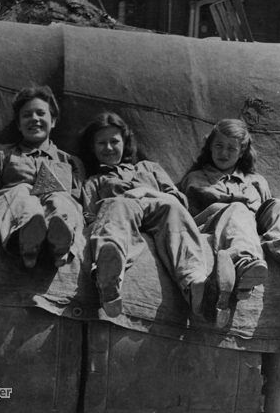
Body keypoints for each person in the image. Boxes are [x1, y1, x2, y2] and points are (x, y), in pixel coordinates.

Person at [80, 112, 234, 327]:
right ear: (92, 148)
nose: (108, 148)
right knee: (114, 205)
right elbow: (90, 217)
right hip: (121, 212)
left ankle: (197, 286)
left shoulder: (148, 168)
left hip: (158, 208)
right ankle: (109, 279)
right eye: (101, 143)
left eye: (114, 141)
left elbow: (177, 198)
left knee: (172, 207)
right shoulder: (94, 182)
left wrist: (143, 192)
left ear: (125, 143)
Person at [181, 118, 280, 301]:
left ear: (242, 152)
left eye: (232, 148)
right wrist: (217, 209)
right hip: (220, 230)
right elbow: (186, 224)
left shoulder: (256, 181)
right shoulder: (195, 180)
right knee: (238, 209)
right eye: (218, 145)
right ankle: (244, 265)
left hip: (254, 231)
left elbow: (265, 216)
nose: (224, 153)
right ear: (210, 146)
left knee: (279, 205)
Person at [0, 85, 84, 269]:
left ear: (53, 120)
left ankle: (59, 241)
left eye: (41, 113)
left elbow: (80, 207)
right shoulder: (2, 154)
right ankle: (28, 237)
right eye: (26, 115)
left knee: (60, 197)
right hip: (14, 211)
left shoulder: (71, 162)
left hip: (60, 213)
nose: (34, 119)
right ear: (18, 125)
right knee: (22, 191)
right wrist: (17, 191)